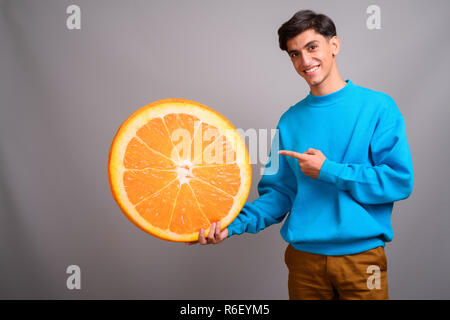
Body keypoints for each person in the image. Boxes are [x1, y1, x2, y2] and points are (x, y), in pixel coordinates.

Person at [186, 10, 414, 300]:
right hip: (304, 263)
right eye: (295, 54)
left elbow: (398, 181)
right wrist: (229, 226)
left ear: (334, 45)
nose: (305, 61)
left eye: (312, 47)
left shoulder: (378, 107)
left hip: (361, 260)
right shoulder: (290, 120)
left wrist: (328, 170)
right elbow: (279, 195)